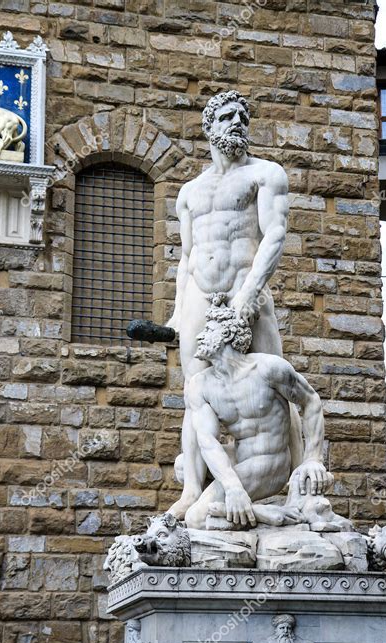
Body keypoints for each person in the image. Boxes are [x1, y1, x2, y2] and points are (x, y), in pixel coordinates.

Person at [167, 90, 302, 519]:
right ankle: (191, 489)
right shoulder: (189, 192)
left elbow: (275, 235)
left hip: (249, 287)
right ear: (209, 127)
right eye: (227, 115)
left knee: (277, 383)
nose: (237, 121)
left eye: (243, 116)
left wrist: (248, 296)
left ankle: (298, 479)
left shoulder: (266, 174)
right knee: (195, 389)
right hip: (198, 296)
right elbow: (186, 256)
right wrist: (175, 310)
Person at [183, 295, 330, 530]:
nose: (199, 336)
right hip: (240, 457)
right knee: (184, 465)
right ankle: (263, 513)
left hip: (269, 462)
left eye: (207, 330)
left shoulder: (268, 369)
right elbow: (207, 441)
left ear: (227, 334)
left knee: (196, 518)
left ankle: (240, 508)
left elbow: (310, 400)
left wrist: (313, 459)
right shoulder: (200, 384)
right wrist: (233, 488)